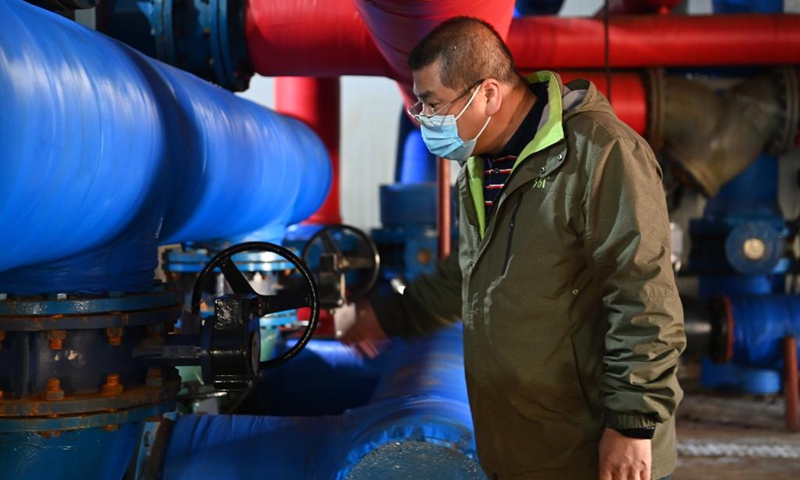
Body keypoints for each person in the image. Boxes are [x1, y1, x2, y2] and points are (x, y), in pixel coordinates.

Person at [343, 16, 685, 480]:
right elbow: (465, 276)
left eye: (433, 103)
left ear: (488, 93)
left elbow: (644, 297)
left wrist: (632, 424)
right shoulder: (482, 164)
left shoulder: (603, 154)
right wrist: (387, 317)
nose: (425, 119)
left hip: (590, 447)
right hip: (520, 443)